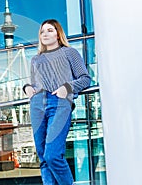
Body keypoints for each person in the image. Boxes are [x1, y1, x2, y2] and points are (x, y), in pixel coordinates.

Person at [23, 19, 91, 185]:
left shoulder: (69, 53)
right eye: (42, 31)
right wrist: (27, 87)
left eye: (50, 30)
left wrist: (66, 88)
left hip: (59, 103)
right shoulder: (35, 60)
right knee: (43, 157)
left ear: (58, 34)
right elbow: (35, 83)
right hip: (37, 104)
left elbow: (85, 79)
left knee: (52, 155)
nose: (45, 34)